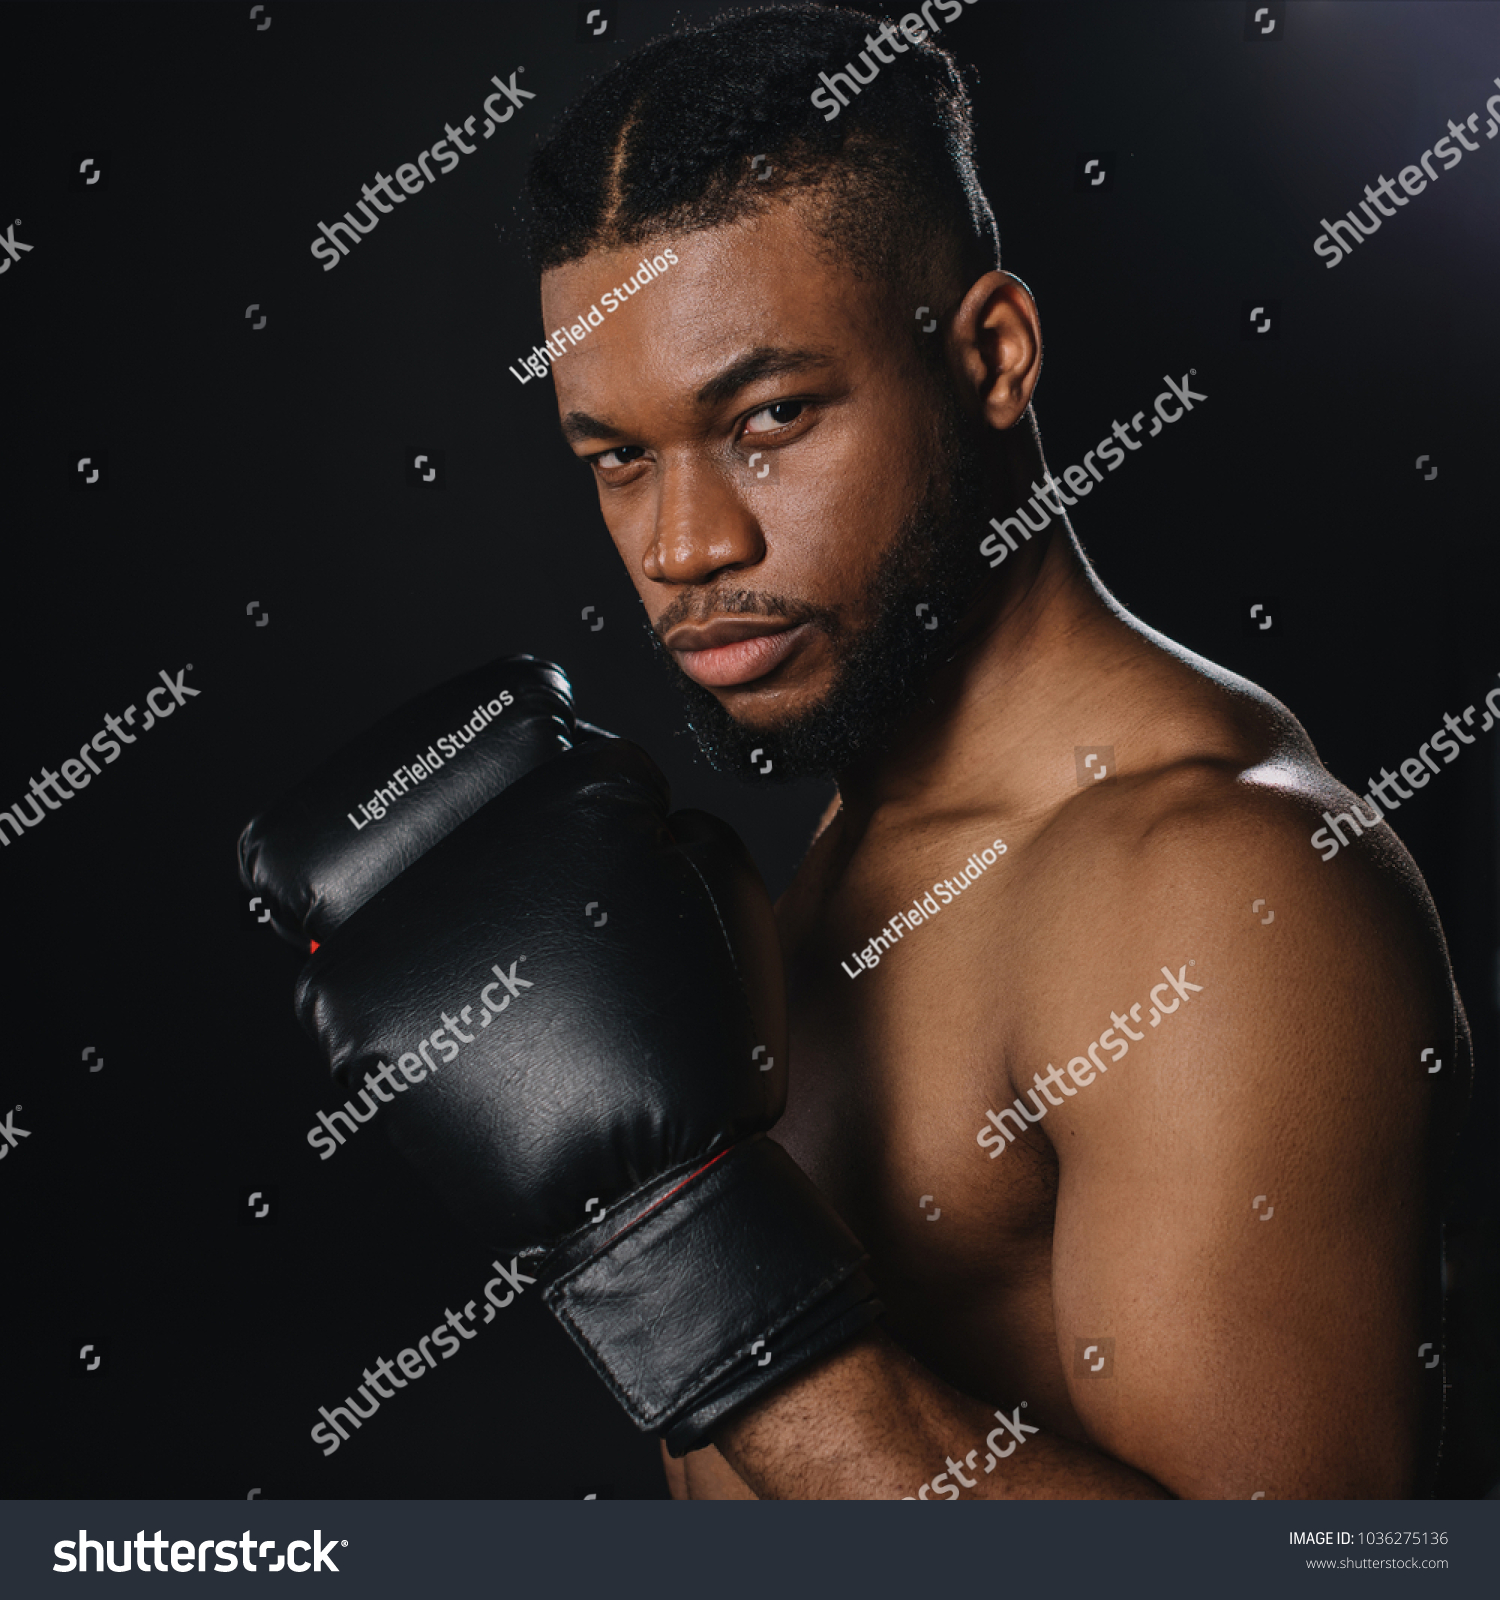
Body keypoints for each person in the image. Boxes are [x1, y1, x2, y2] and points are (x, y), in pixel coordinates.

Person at [517, 4, 1470, 1498]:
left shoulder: (1218, 893)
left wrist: (686, 1262)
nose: (686, 545)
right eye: (617, 458)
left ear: (996, 356)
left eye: (769, 417)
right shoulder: (829, 872)